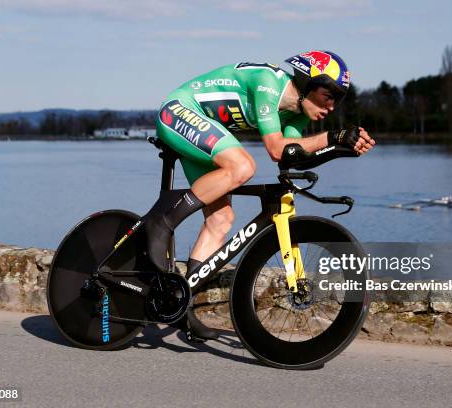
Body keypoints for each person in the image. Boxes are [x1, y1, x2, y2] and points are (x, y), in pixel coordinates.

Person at [145, 50, 375, 340]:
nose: (332, 106)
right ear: (307, 83)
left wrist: (343, 149)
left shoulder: (296, 112)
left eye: (338, 99)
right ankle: (162, 222)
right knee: (242, 166)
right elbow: (276, 148)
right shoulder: (267, 83)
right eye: (329, 95)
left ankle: (181, 306)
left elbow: (292, 155)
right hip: (179, 111)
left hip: (203, 126)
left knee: (221, 219)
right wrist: (333, 136)